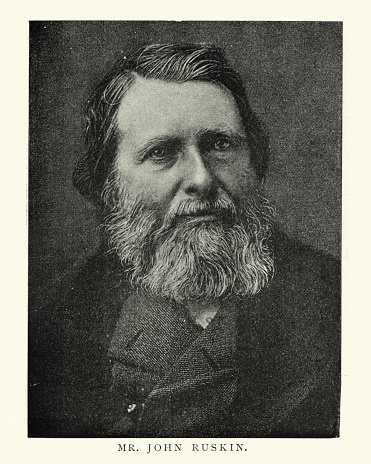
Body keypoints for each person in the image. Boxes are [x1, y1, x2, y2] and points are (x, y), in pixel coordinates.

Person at [28, 43, 340, 438]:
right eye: (162, 152)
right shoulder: (51, 330)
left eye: (219, 145)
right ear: (109, 184)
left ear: (254, 161)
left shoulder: (339, 302)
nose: (202, 179)